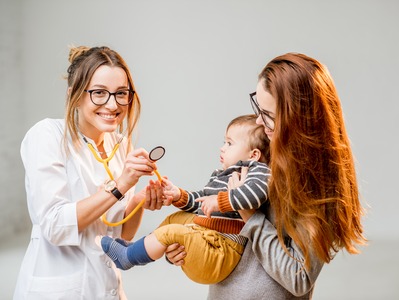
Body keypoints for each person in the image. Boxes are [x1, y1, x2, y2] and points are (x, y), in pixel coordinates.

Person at [164, 53, 367, 299]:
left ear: (298, 118)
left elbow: (298, 278)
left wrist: (249, 214)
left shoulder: (314, 187)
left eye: (268, 114)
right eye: (257, 107)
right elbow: (226, 233)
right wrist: (187, 247)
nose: (259, 121)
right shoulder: (261, 152)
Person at [13, 46, 163, 300]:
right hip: (59, 291)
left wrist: (139, 202)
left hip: (107, 289)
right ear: (74, 95)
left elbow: (119, 235)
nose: (113, 104)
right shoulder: (47, 136)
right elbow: (55, 225)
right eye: (99, 93)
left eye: (121, 93)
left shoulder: (122, 145)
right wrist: (120, 185)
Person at [101, 114, 271, 284]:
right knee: (174, 220)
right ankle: (138, 248)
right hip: (207, 236)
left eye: (229, 143)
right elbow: (202, 202)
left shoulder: (258, 171)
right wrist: (178, 195)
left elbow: (255, 195)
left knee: (172, 231)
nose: (222, 148)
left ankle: (128, 258)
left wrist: (219, 201)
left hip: (222, 249)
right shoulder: (222, 175)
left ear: (253, 155)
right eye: (224, 142)